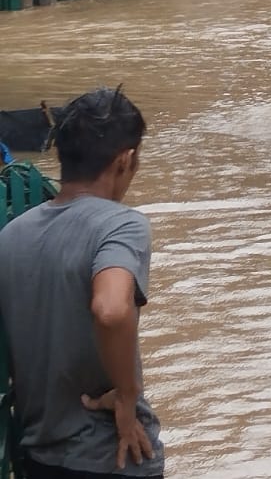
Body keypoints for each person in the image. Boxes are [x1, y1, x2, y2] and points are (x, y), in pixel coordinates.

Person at [0, 87, 165, 479]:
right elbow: (110, 310)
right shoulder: (121, 225)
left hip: (39, 455)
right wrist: (127, 397)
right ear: (126, 160)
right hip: (114, 454)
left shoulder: (11, 235)